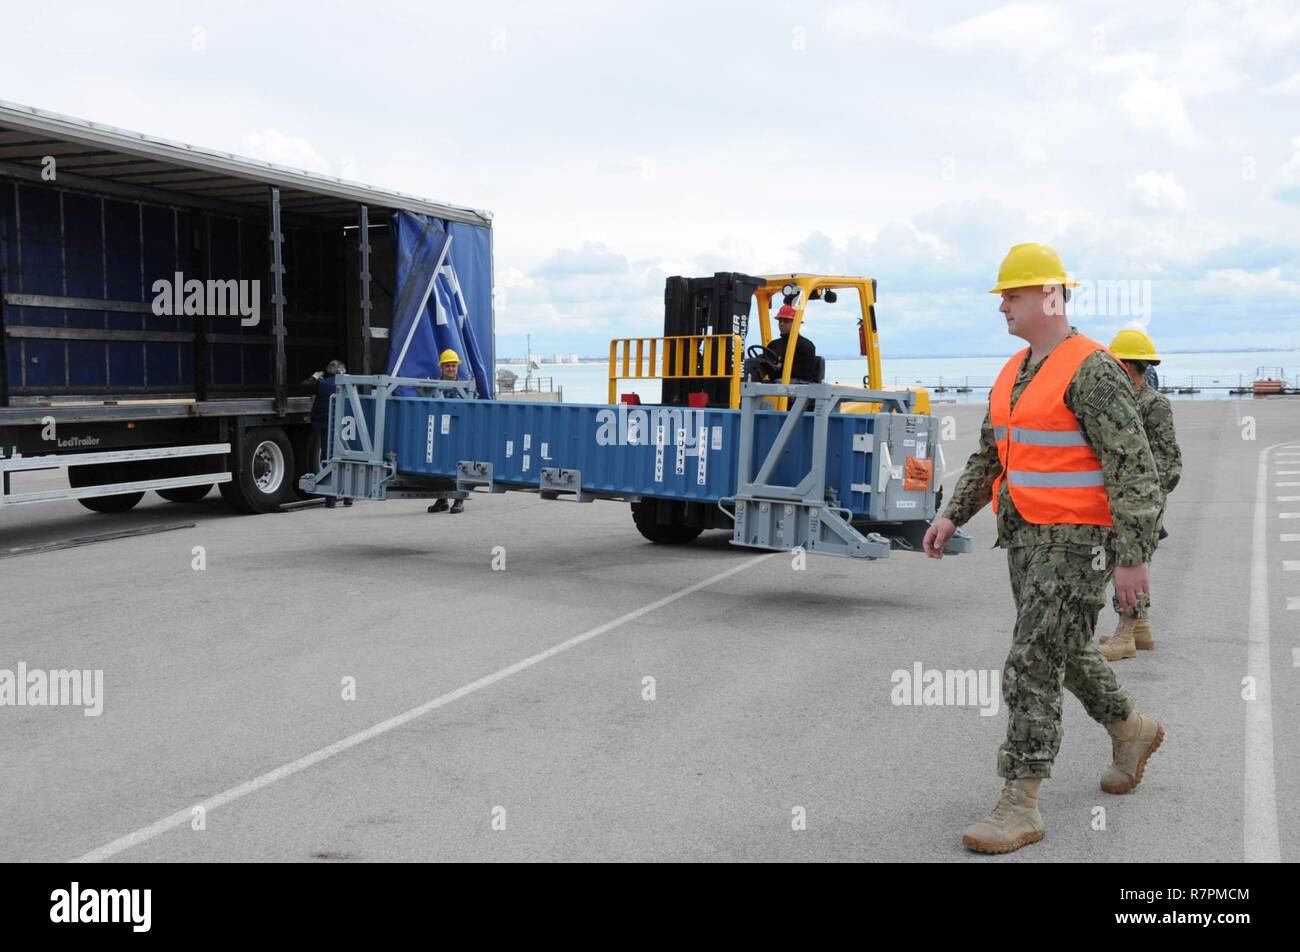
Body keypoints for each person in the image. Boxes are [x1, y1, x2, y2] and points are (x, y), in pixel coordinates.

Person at [922, 242, 1166, 855]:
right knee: (1068, 650)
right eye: (1004, 295)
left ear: (1049, 296)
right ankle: (1131, 729)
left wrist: (1133, 557)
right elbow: (990, 454)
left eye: (1013, 294)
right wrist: (952, 516)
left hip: (1079, 543)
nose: (1002, 305)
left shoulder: (1092, 367)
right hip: (1026, 537)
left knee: (1031, 659)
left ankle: (1020, 802)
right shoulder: (1014, 371)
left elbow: (1133, 466)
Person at [1099, 329, 1182, 660]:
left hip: (1141, 499)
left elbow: (1169, 459)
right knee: (1136, 559)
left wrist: (1148, 497)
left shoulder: (1153, 404)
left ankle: (1125, 635)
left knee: (1128, 560)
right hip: (1124, 496)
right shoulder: (1122, 400)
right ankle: (1141, 629)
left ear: (1129, 366)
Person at [301, 360, 350, 508]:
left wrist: (314, 377)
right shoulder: (348, 383)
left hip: (325, 426)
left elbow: (304, 387)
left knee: (328, 460)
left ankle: (331, 499)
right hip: (345, 425)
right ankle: (348, 496)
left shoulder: (322, 384)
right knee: (346, 459)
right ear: (342, 371)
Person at [429, 349, 466, 514]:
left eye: (453, 366)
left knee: (459, 467)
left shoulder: (465, 388)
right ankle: (442, 499)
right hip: (440, 433)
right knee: (439, 466)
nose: (451, 369)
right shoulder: (434, 386)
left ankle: (459, 500)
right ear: (442, 368)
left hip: (458, 433)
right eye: (448, 366)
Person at [745, 305, 819, 383]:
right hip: (776, 382)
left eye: (786, 321)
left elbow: (807, 373)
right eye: (780, 321)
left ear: (796, 323)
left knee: (776, 383)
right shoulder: (773, 345)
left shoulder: (806, 346)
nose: (781, 324)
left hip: (798, 384)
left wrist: (782, 367)